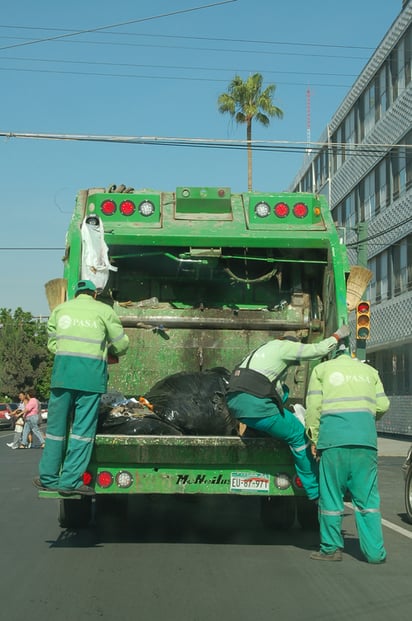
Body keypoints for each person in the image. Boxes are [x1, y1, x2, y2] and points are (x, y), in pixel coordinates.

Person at [226, 325, 350, 501]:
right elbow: (318, 350)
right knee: (299, 435)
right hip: (257, 406)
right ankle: (315, 491)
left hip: (236, 404)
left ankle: (257, 430)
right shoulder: (285, 346)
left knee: (280, 399)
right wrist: (337, 336)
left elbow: (274, 389)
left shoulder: (261, 351)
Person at [34, 279, 129, 496]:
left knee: (56, 430)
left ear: (76, 293)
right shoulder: (104, 311)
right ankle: (69, 482)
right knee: (82, 432)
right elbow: (122, 344)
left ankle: (48, 478)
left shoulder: (60, 310)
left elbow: (53, 345)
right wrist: (107, 349)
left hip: (62, 376)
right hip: (90, 379)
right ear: (94, 294)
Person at [305, 343, 390, 563]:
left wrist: (314, 437)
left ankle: (331, 549)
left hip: (334, 442)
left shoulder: (321, 370)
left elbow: (314, 408)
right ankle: (374, 554)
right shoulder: (370, 372)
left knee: (332, 497)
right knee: (368, 501)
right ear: (352, 355)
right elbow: (383, 404)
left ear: (330, 356)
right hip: (365, 443)